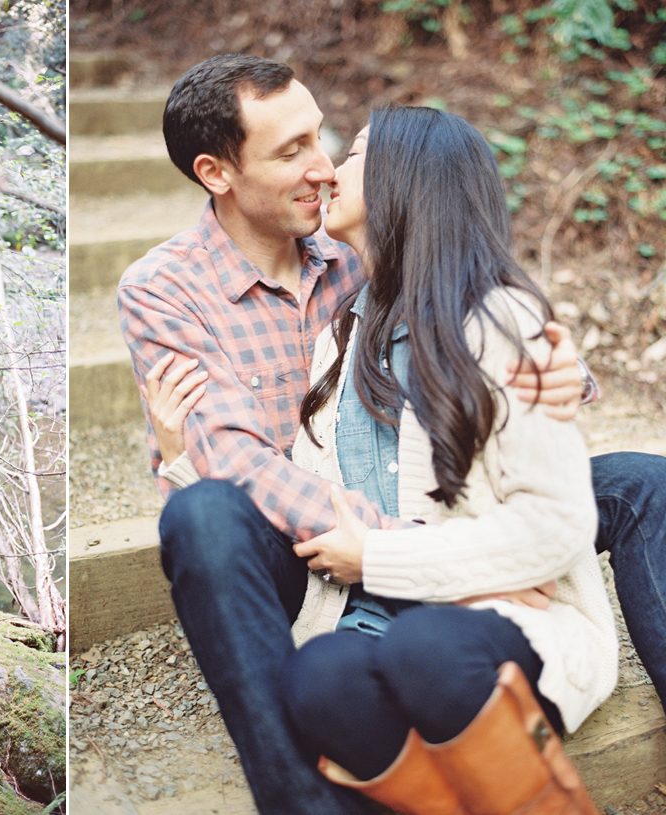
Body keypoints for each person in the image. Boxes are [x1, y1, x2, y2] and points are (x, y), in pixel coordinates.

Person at [117, 53, 666, 814]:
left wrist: (561, 361)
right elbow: (238, 461)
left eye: (324, 139)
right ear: (217, 172)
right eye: (292, 151)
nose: (320, 168)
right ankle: (300, 797)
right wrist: (423, 554)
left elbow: (471, 306)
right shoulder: (166, 288)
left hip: (430, 496)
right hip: (306, 535)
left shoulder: (351, 246)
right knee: (202, 512)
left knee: (645, 481)